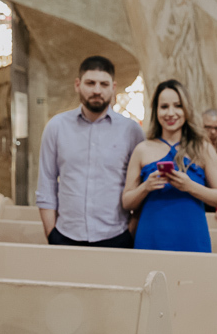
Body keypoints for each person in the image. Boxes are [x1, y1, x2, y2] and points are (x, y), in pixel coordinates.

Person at [36, 55, 145, 247]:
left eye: (104, 84)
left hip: (117, 235)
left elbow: (140, 186)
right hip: (66, 234)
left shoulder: (131, 130)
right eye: (90, 83)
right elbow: (46, 183)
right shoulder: (56, 127)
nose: (97, 90)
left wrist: (131, 231)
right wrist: (51, 233)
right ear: (77, 85)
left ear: (113, 87)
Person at [122, 79, 217, 252]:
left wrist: (189, 186)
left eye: (178, 106)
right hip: (151, 236)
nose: (171, 113)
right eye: (164, 107)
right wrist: (146, 187)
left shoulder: (203, 148)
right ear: (156, 111)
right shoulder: (142, 149)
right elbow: (127, 202)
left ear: (186, 109)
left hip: (192, 236)